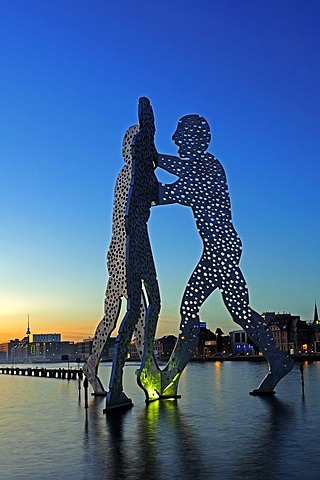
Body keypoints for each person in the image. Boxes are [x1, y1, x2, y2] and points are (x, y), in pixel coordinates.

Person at [157, 114, 294, 396]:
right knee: (241, 312)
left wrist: (152, 177)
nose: (175, 139)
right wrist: (154, 158)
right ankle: (279, 361)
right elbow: (179, 169)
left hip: (221, 248)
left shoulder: (208, 167)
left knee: (188, 309)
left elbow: (178, 190)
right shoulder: (200, 166)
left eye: (180, 134)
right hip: (223, 247)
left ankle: (170, 379)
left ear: (195, 139)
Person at [105, 97, 161, 410]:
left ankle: (126, 378)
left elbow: (153, 195)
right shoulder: (139, 168)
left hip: (136, 241)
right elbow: (130, 211)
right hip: (136, 241)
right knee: (142, 306)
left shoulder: (131, 174)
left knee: (141, 306)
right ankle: (134, 375)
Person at [83, 125, 147, 395]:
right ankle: (148, 371)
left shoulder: (128, 175)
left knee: (115, 315)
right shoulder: (130, 176)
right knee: (139, 312)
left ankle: (92, 365)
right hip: (124, 253)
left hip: (122, 251)